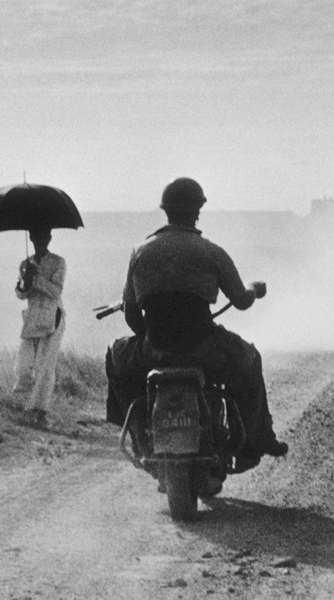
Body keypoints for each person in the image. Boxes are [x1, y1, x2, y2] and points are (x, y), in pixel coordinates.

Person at [105, 177, 288, 472]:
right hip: (205, 351)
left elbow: (131, 315)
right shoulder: (211, 251)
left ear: (165, 210)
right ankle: (256, 441)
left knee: (115, 357)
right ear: (198, 210)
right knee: (251, 361)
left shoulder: (140, 252)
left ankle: (139, 432)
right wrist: (253, 288)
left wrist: (153, 338)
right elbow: (241, 301)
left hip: (155, 350)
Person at [13, 228, 66, 429]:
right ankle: (27, 408)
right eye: (36, 238)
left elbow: (56, 291)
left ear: (49, 238)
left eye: (43, 238)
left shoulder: (58, 262)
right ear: (32, 238)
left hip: (54, 317)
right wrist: (26, 280)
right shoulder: (25, 264)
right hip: (33, 318)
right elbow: (20, 294)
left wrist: (36, 278)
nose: (39, 242)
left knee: (45, 367)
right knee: (23, 366)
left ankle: (39, 412)